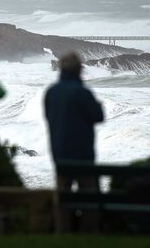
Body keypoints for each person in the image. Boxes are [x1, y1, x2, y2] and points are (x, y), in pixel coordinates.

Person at [44, 52, 104, 232]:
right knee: (88, 199)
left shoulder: (51, 92)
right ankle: (88, 233)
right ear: (79, 70)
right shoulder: (82, 92)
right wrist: (98, 105)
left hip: (60, 154)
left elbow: (49, 117)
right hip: (83, 155)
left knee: (63, 198)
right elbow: (98, 116)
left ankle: (63, 232)